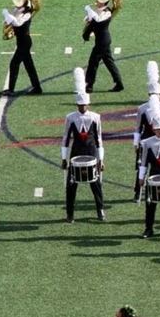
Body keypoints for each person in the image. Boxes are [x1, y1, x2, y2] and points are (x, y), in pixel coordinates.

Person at [63, 68, 106, 223]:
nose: (82, 107)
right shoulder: (70, 117)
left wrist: (101, 159)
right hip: (76, 152)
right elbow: (66, 138)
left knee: (95, 183)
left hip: (91, 151)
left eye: (85, 105)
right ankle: (70, 213)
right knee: (71, 184)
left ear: (88, 104)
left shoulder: (96, 117)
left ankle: (100, 210)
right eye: (80, 105)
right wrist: (64, 158)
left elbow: (99, 139)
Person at [132, 65, 160, 201]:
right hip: (146, 140)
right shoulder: (142, 109)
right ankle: (138, 191)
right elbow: (138, 128)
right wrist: (136, 144)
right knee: (142, 165)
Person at [82, 0, 124, 93]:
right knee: (109, 62)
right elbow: (92, 22)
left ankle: (89, 85)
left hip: (102, 41)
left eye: (99, 0)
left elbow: (98, 20)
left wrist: (89, 10)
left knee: (93, 62)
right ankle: (119, 83)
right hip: (103, 41)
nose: (97, 1)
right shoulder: (100, 12)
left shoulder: (107, 13)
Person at [0, 0, 42, 96]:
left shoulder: (27, 13)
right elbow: (9, 22)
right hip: (22, 42)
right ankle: (37, 88)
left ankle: (11, 89)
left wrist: (7, 14)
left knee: (14, 64)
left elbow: (17, 23)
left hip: (24, 42)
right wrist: (7, 19)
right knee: (29, 66)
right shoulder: (17, 10)